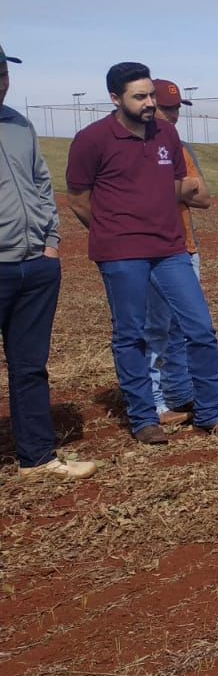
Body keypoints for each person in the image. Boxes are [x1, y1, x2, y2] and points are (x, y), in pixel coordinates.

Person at [65, 62, 218, 443]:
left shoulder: (165, 134)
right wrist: (112, 235)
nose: (150, 103)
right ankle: (144, 418)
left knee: (200, 329)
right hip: (121, 255)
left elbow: (179, 184)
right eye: (140, 96)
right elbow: (79, 200)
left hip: (170, 250)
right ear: (115, 98)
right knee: (131, 335)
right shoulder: (91, 140)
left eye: (150, 95)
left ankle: (211, 413)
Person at [0, 43, 99, 478]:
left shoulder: (19, 125)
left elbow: (42, 183)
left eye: (3, 71)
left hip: (35, 265)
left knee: (30, 366)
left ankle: (37, 459)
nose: (2, 80)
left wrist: (51, 241)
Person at [145, 79, 211, 424]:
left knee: (183, 327)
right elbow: (132, 193)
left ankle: (178, 393)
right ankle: (153, 403)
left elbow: (203, 197)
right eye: (165, 108)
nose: (172, 115)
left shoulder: (181, 147)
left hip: (185, 247)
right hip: (149, 251)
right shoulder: (137, 146)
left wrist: (158, 188)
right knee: (153, 329)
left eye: (175, 108)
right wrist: (176, 188)